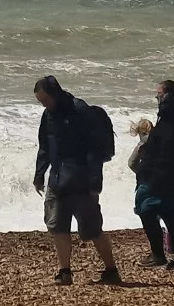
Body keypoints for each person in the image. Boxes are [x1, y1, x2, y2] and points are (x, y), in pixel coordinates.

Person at [30, 75, 122, 286]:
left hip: (82, 181)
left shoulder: (80, 110)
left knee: (93, 229)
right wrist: (39, 174)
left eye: (45, 99)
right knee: (57, 226)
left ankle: (111, 270)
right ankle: (64, 272)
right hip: (57, 179)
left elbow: (96, 149)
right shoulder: (48, 115)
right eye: (40, 101)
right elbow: (44, 146)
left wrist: (95, 180)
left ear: (55, 93)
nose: (43, 104)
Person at [131, 78, 174, 270]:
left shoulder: (169, 118)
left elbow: (164, 149)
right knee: (170, 217)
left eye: (158, 94)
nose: (156, 98)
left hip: (163, 176)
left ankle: (160, 256)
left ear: (166, 96)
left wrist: (147, 156)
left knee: (147, 211)